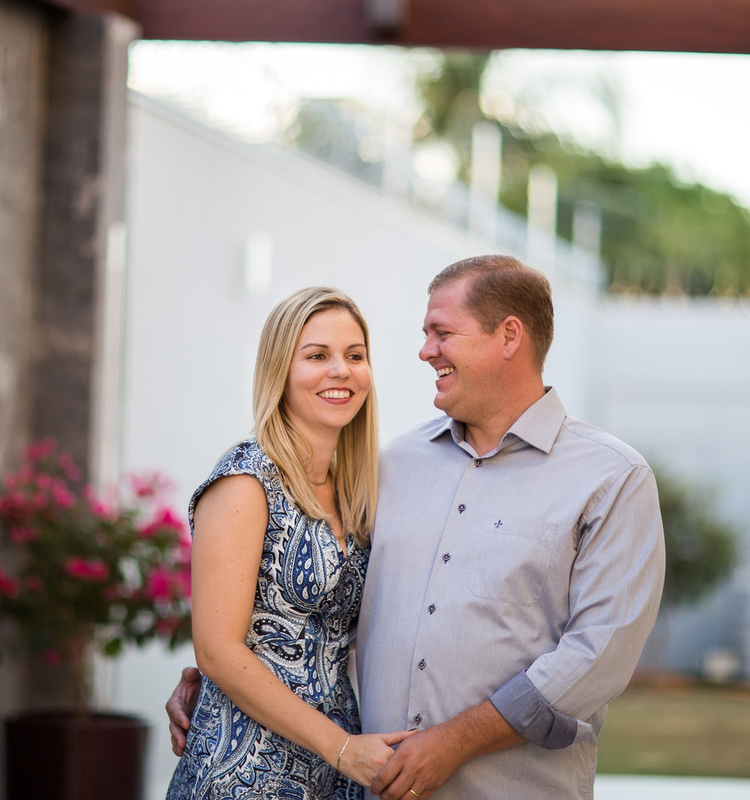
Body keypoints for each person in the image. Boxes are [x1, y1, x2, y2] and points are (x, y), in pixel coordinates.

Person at [169, 257, 665, 800]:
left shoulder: (611, 478)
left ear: (509, 337)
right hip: (341, 783)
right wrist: (218, 678)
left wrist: (455, 741)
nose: (425, 351)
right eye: (317, 355)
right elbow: (289, 612)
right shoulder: (391, 467)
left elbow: (595, 658)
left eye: (441, 333)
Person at [165, 287, 416, 800]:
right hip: (244, 773)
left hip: (333, 777)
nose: (341, 371)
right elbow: (217, 650)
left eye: (355, 356)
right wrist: (343, 748)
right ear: (280, 370)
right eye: (317, 356)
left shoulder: (358, 489)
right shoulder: (245, 481)